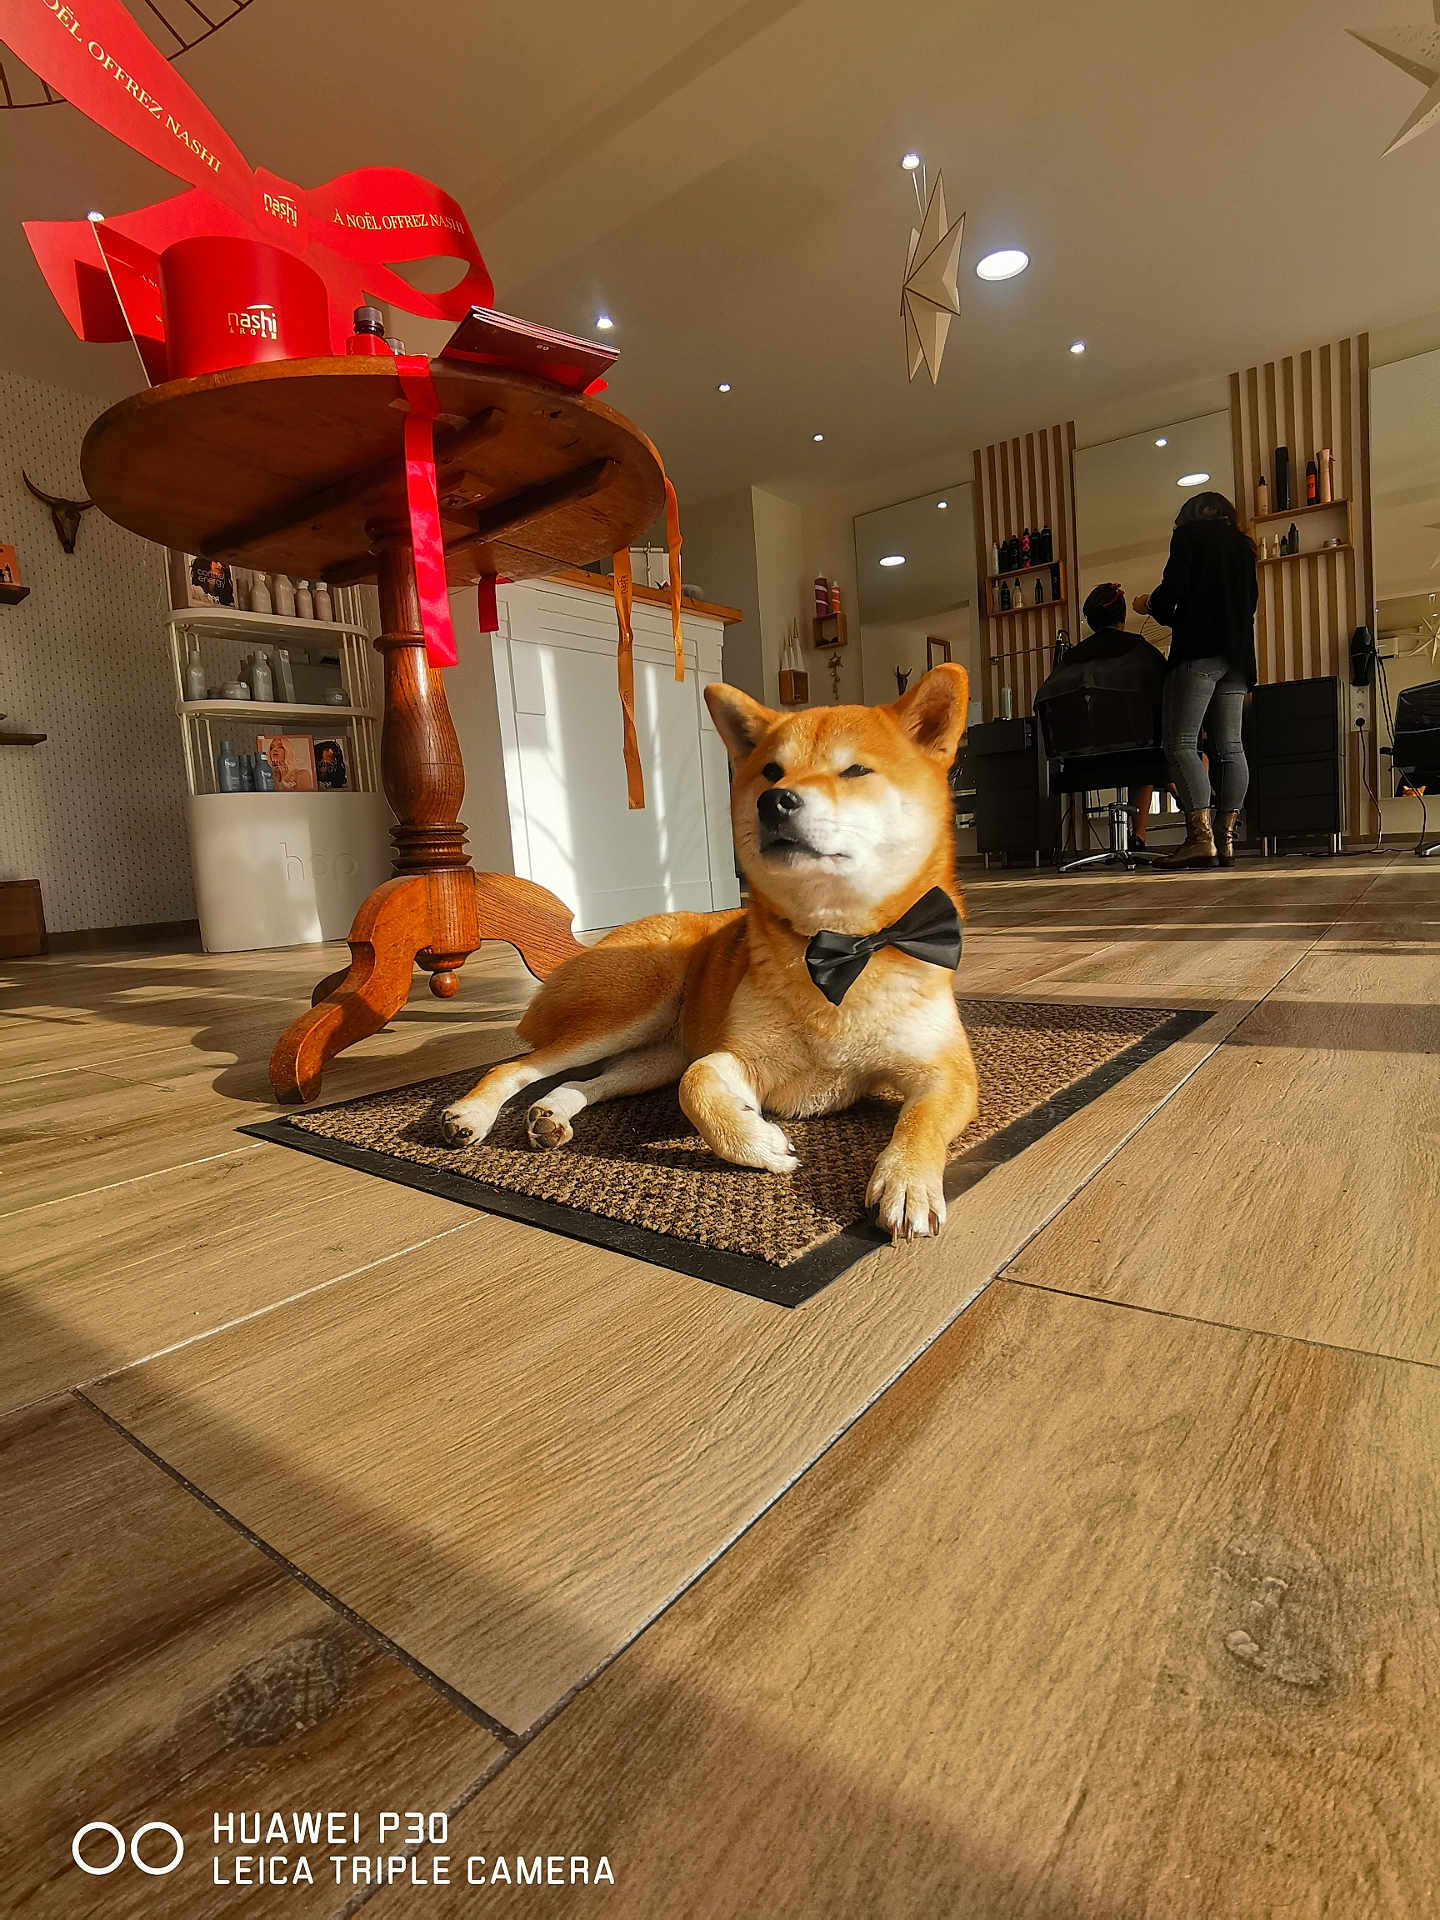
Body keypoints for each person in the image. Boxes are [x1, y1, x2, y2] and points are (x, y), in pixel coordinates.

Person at [1133, 491, 1258, 868]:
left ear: (1189, 516)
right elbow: (1247, 606)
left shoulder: (1188, 538)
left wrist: (1148, 605)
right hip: (1237, 657)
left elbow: (1174, 594)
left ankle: (1199, 837)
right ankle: (1226, 836)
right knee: (1231, 747)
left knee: (1182, 743)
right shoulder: (1243, 547)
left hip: (1199, 652)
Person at [1062, 582, 1164, 846]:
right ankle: (1142, 833)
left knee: (1138, 752)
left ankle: (1140, 835)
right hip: (1137, 758)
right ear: (1122, 617)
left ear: (1091, 620)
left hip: (1083, 765)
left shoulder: (1071, 658)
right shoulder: (1140, 650)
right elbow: (1167, 692)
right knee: (1149, 751)